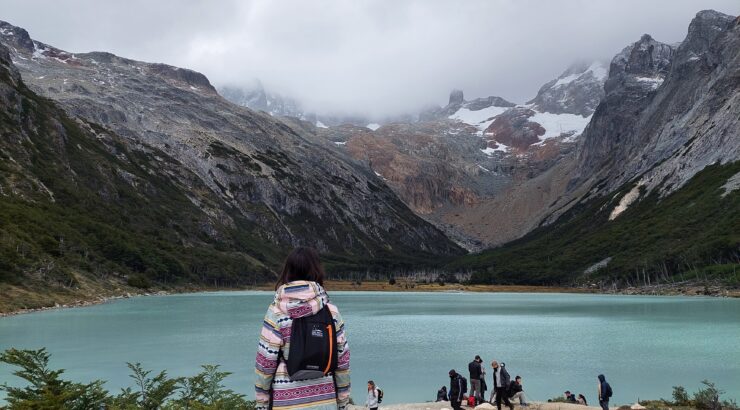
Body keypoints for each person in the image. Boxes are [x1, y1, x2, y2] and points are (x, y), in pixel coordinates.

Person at [254, 247, 351, 410]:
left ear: (288, 271)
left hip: (286, 401)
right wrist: (342, 402)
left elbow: (265, 362)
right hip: (325, 399)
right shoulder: (331, 310)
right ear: (316, 270)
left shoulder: (276, 311)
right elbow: (342, 360)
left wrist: (261, 404)